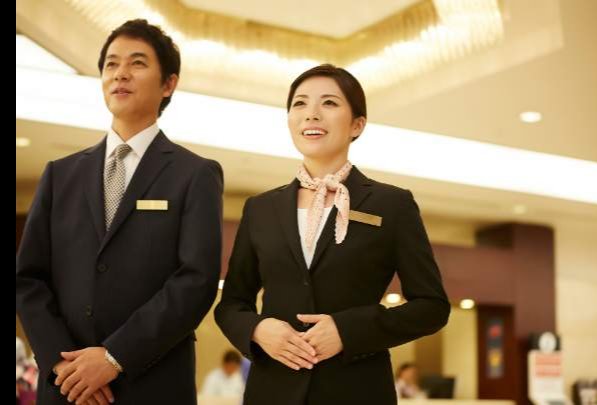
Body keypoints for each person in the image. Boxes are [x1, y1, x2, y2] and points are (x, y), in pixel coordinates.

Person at [215, 64, 450, 404]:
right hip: (273, 391)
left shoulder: (392, 204)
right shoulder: (260, 209)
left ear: (357, 124)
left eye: (328, 103)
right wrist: (258, 329)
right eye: (300, 103)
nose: (311, 114)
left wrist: (348, 330)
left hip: (356, 390)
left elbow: (432, 307)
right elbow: (232, 304)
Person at [16, 19, 223, 404]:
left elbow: (195, 281)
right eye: (111, 64)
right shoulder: (60, 174)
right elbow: (28, 278)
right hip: (66, 388)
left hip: (152, 385)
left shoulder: (195, 175)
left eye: (137, 63)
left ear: (168, 84)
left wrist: (114, 357)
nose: (120, 73)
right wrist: (62, 365)